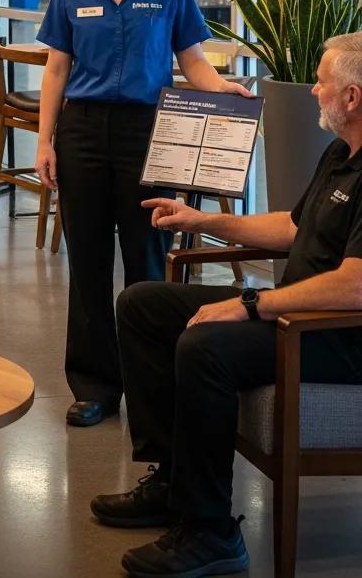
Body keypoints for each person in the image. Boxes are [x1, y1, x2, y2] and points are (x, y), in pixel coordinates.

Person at [92, 33, 362, 577]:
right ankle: (172, 482)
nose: (311, 90)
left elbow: (355, 287)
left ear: (352, 97)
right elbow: (291, 226)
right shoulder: (340, 153)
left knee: (205, 347)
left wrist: (252, 302)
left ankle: (210, 530)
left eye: (322, 81)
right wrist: (201, 221)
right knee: (142, 305)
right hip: (294, 314)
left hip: (335, 335)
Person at [34, 0, 249, 427]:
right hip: (82, 131)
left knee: (148, 261)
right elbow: (57, 71)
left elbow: (193, 62)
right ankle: (95, 387)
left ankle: (151, 382)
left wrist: (222, 88)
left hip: (149, 132)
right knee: (87, 263)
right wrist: (43, 140)